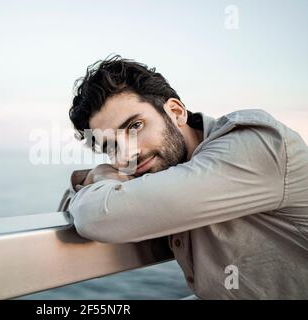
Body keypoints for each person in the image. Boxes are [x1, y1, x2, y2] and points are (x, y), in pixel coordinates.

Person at [57, 55, 308, 299]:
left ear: (176, 112)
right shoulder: (159, 167)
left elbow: (96, 217)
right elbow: (69, 213)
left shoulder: (253, 145)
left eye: (135, 126)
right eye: (111, 147)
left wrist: (101, 174)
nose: (127, 155)